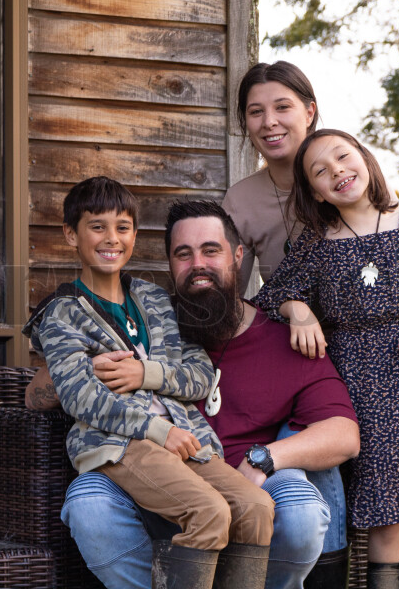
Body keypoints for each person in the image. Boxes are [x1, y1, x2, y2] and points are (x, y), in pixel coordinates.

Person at [27, 200, 361, 589]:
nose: (197, 264)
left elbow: (344, 434)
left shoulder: (284, 338)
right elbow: (37, 395)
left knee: (299, 508)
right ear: (170, 263)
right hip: (140, 481)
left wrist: (264, 459)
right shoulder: (150, 322)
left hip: (238, 478)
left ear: (238, 256)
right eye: (183, 254)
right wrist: (88, 364)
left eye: (211, 250)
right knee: (88, 501)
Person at [254, 129, 399, 589]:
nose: (337, 171)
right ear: (314, 192)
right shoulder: (318, 243)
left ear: (364, 157)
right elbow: (271, 296)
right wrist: (298, 310)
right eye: (321, 171)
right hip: (363, 395)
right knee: (387, 521)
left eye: (343, 157)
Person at [22, 177, 275, 589]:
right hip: (121, 441)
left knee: (256, 506)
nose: (112, 238)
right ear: (72, 234)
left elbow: (200, 376)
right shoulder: (62, 313)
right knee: (208, 512)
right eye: (97, 226)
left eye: (122, 227)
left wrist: (148, 374)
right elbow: (78, 396)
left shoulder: (154, 300)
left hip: (185, 436)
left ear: (135, 235)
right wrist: (158, 429)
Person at [223, 60, 399, 353]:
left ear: (309, 112)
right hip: (294, 346)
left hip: (380, 349)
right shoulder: (240, 201)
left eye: (282, 107)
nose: (269, 122)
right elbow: (233, 301)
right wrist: (294, 309)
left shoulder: (351, 178)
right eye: (256, 112)